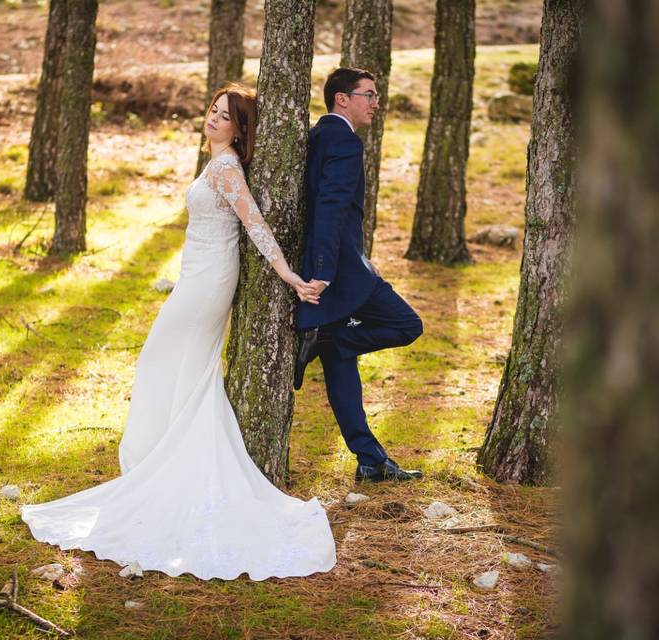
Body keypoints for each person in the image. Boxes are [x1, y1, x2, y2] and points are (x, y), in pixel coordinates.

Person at [21, 85, 336, 581]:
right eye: (212, 110)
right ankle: (161, 463)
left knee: (160, 361)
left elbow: (254, 225)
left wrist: (289, 276)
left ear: (239, 128)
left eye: (225, 116)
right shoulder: (215, 164)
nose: (213, 119)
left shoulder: (229, 168)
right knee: (181, 370)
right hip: (196, 276)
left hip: (209, 283)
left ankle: (168, 467)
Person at [294, 68, 425, 483]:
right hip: (339, 273)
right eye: (368, 95)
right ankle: (334, 338)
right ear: (342, 99)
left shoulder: (319, 135)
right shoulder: (344, 140)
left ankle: (370, 460)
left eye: (376, 95)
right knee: (407, 324)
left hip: (341, 264)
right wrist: (324, 271)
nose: (375, 103)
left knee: (340, 360)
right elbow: (330, 207)